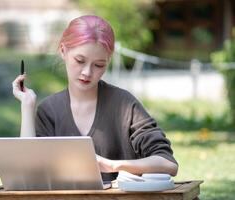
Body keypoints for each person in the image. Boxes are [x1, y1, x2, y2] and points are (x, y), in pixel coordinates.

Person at [12, 15, 178, 181]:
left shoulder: (124, 105)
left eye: (99, 65)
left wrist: (113, 165)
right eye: (80, 61)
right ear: (63, 51)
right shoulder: (49, 110)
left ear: (108, 61)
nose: (87, 72)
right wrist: (27, 106)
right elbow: (28, 174)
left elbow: (168, 163)